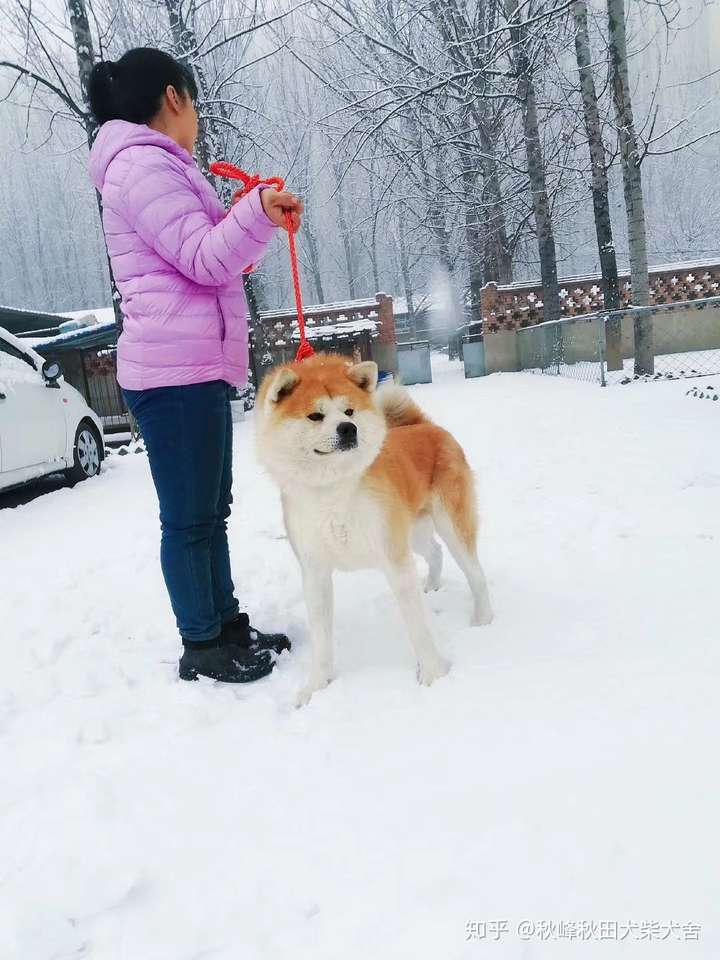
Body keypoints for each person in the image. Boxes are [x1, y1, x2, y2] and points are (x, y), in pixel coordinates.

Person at [87, 47, 303, 683]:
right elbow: (206, 259)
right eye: (195, 102)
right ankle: (203, 645)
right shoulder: (143, 168)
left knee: (211, 511)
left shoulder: (160, 167)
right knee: (188, 518)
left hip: (192, 366)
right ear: (174, 98)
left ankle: (226, 624)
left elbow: (217, 258)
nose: (199, 118)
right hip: (171, 373)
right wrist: (252, 214)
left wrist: (254, 220)